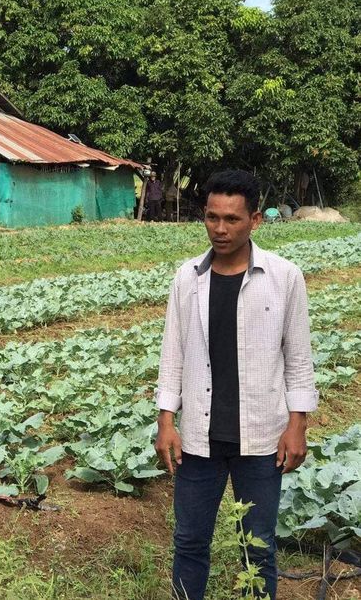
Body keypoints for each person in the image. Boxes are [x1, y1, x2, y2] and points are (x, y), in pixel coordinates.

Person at [154, 170, 318, 600]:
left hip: (262, 437)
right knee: (189, 542)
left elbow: (298, 358)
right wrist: (166, 421)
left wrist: (297, 424)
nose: (220, 229)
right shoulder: (187, 278)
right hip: (199, 439)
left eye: (232, 219)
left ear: (255, 220)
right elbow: (173, 354)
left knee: (258, 548)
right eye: (212, 217)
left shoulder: (284, 277)